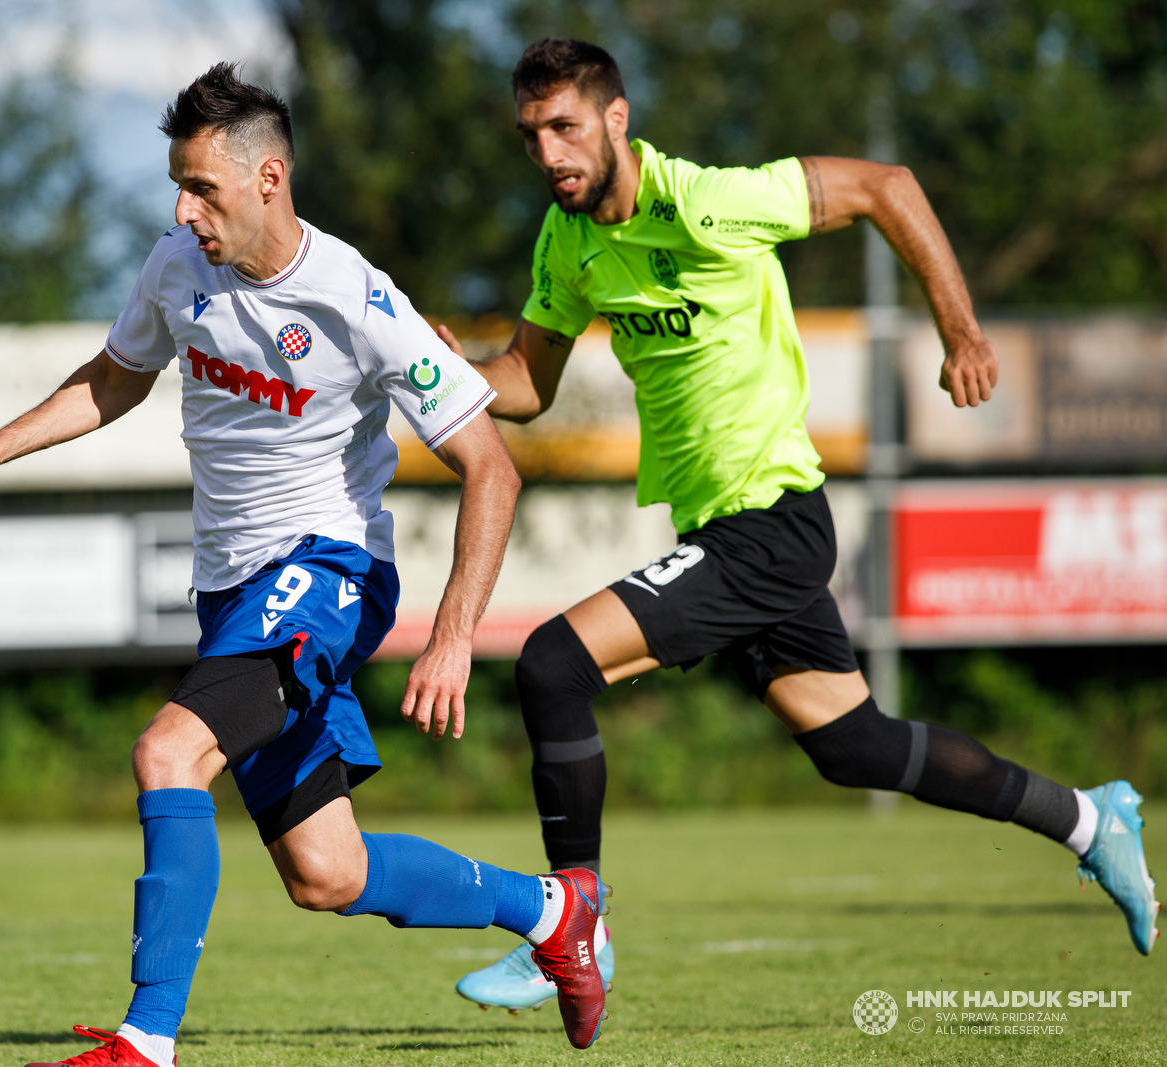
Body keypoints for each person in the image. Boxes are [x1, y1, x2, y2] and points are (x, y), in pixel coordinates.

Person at [0, 65, 609, 1065]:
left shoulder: (358, 298)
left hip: (327, 573)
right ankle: (551, 910)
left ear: (269, 176)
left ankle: (145, 1040)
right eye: (177, 186)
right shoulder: (175, 266)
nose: (183, 209)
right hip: (235, 591)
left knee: (166, 750)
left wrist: (453, 636)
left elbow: (489, 466)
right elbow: (116, 377)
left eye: (203, 188)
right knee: (326, 869)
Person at [447, 37, 1159, 1012]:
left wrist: (960, 329)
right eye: (531, 135)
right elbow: (524, 383)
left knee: (551, 663)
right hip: (727, 527)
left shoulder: (703, 201)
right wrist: (436, 372)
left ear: (617, 119)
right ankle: (1087, 818)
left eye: (565, 127)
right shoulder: (564, 242)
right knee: (853, 745)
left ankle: (578, 926)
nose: (548, 153)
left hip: (769, 522)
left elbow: (886, 186)